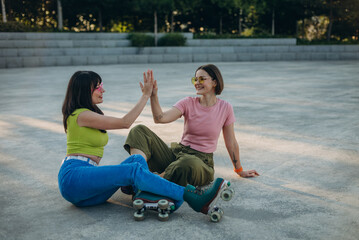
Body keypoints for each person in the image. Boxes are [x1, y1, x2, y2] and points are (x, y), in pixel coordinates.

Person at [58, 70, 230, 215]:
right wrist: (146, 95)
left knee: (137, 161)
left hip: (88, 192)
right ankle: (195, 198)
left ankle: (148, 191)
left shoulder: (89, 114)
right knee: (134, 169)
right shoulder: (80, 115)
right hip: (74, 178)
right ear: (83, 90)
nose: (103, 90)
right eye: (98, 86)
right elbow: (125, 122)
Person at [124, 64, 259, 187]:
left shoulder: (225, 108)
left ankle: (150, 182)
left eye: (202, 79)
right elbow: (160, 118)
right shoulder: (188, 102)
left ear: (214, 82)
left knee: (187, 162)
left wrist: (239, 169)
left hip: (200, 164)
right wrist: (153, 96)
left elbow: (231, 142)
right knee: (138, 130)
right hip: (177, 155)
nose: (197, 83)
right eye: (195, 79)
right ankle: (139, 173)